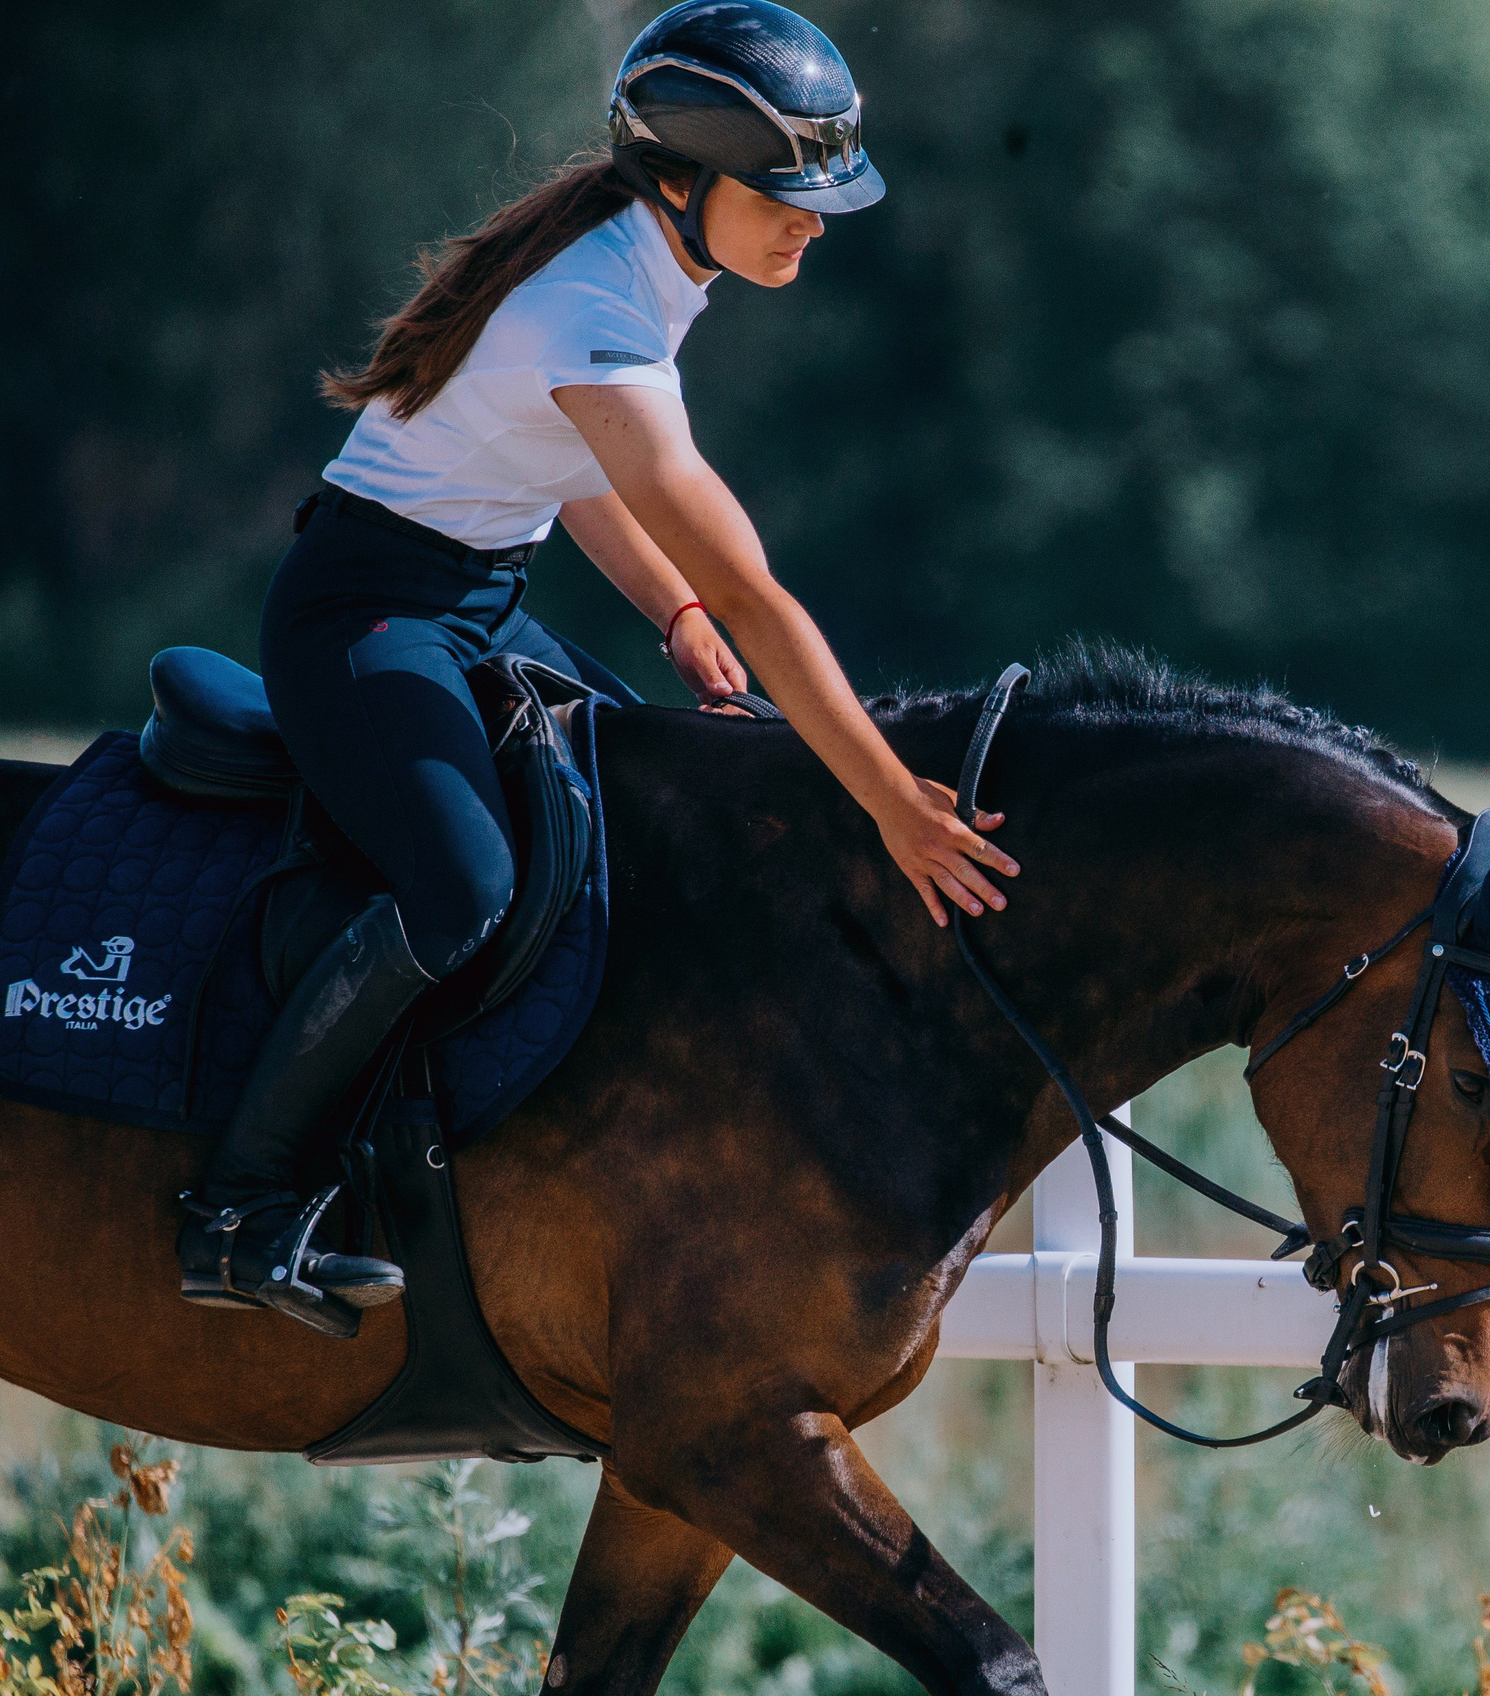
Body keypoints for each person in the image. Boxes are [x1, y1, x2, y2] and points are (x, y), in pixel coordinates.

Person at [176, 0, 1019, 1336]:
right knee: (464, 891)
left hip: (471, 601)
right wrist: (887, 802)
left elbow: (574, 476)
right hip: (364, 616)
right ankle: (240, 1205)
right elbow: (756, 591)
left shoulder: (640, 261)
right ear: (683, 180)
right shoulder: (594, 302)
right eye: (785, 198)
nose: (813, 225)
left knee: (637, 810)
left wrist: (671, 610)